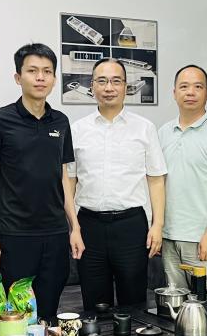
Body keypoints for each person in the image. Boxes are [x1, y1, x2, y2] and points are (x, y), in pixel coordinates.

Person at [0, 43, 83, 322]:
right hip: (16, 236)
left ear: (54, 79)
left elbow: (63, 177)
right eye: (32, 71)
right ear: (18, 77)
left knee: (48, 315)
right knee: (15, 318)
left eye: (47, 72)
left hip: (56, 235)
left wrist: (74, 227)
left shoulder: (60, 122)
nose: (40, 77)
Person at [68, 58, 167, 309]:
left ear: (125, 86)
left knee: (134, 306)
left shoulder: (144, 128)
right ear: (92, 86)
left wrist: (157, 225)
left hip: (131, 226)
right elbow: (69, 182)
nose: (109, 88)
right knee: (94, 307)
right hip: (89, 226)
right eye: (101, 81)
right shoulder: (77, 130)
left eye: (116, 81)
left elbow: (156, 180)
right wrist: (73, 227)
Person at [158, 64, 207, 297]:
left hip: (202, 238)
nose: (190, 92)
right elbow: (157, 184)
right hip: (169, 236)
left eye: (198, 87)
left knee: (206, 306)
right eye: (184, 87)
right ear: (174, 93)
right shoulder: (163, 132)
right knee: (175, 307)